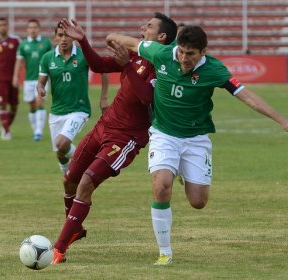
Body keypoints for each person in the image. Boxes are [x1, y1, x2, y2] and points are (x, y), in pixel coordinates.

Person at [106, 25, 288, 265]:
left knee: (198, 202)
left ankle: (180, 170)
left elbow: (248, 97)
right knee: (161, 186)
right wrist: (110, 38)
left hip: (196, 139)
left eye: (190, 54)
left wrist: (282, 120)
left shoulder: (215, 70)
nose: (183, 58)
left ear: (203, 52)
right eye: (181, 51)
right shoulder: (161, 54)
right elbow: (127, 41)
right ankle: (165, 252)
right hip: (164, 134)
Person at [50, 13, 177, 265]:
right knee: (70, 180)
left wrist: (127, 66)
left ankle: (57, 249)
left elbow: (145, 98)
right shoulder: (136, 55)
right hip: (103, 127)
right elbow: (97, 65)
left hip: (127, 137)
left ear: (161, 37)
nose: (142, 27)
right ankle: (74, 227)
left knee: (86, 182)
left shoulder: (165, 67)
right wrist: (83, 41)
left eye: (149, 26)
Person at [37, 21, 109, 175]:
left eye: (67, 35)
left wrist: (103, 98)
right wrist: (40, 89)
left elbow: (103, 70)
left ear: (73, 38)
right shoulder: (47, 58)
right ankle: (68, 174)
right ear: (55, 38)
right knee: (60, 152)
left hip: (79, 109)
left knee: (62, 143)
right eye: (60, 35)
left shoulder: (83, 56)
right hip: (56, 112)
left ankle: (85, 166)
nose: (64, 39)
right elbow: (40, 82)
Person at [12, 19, 52, 141]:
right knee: (31, 105)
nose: (33, 29)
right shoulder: (23, 45)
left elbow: (51, 60)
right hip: (28, 79)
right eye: (30, 27)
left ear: (39, 29)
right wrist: (15, 76)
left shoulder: (46, 43)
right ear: (27, 29)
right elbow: (19, 62)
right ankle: (35, 129)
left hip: (42, 79)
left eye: (35, 27)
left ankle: (39, 132)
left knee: (39, 102)